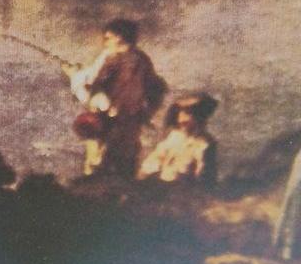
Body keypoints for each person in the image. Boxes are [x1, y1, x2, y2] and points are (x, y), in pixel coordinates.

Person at [65, 17, 166, 179]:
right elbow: (157, 88)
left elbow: (95, 87)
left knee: (101, 165)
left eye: (108, 38)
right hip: (129, 122)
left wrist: (75, 76)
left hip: (110, 122)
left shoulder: (115, 59)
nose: (105, 43)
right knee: (123, 164)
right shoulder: (142, 59)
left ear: (119, 37)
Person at [139, 93, 218, 185]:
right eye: (180, 113)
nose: (182, 119)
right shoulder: (174, 137)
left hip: (185, 189)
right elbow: (154, 160)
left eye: (189, 113)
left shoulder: (204, 144)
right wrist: (146, 172)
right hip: (163, 186)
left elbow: (203, 179)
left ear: (200, 117)